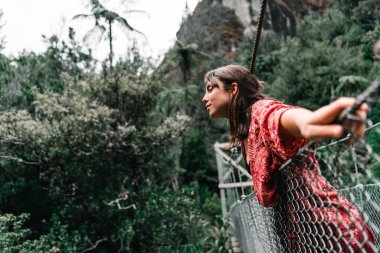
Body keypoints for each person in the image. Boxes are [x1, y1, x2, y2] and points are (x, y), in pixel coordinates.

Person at [202, 65, 375, 252]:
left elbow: (278, 115)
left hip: (334, 234)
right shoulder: (246, 131)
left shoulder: (259, 111)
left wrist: (309, 121)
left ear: (233, 89)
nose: (205, 98)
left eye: (211, 88)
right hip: (304, 239)